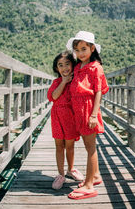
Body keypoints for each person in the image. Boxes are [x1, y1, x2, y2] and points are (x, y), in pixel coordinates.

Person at [66, 31, 109, 200]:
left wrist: (93, 115)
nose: (80, 53)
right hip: (78, 110)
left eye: (84, 49)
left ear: (92, 48)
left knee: (91, 147)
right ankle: (96, 175)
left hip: (88, 109)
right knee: (87, 145)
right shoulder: (78, 67)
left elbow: (98, 91)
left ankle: (89, 185)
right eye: (77, 50)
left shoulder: (95, 67)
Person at [47, 51, 84, 190]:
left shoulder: (76, 81)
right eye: (60, 65)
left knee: (70, 145)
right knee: (59, 146)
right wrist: (63, 82)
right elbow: (53, 97)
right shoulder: (56, 82)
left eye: (67, 64)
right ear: (57, 68)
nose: (64, 68)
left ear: (73, 65)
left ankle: (71, 169)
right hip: (57, 116)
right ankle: (61, 174)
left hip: (70, 117)